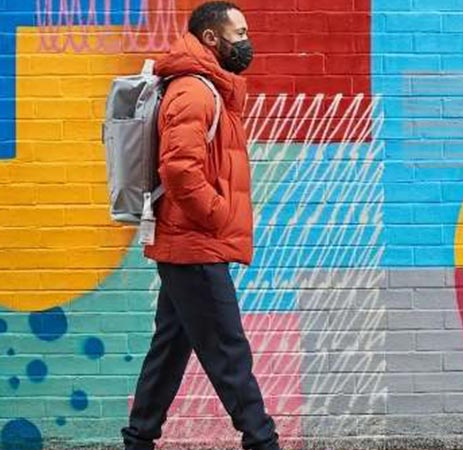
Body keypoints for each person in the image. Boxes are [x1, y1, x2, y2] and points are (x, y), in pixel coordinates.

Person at [120, 2, 280, 450]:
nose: (246, 42)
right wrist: (219, 215)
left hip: (185, 244)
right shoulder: (193, 91)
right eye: (239, 32)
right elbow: (180, 171)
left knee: (169, 350)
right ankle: (262, 441)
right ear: (212, 38)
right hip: (194, 245)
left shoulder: (206, 87)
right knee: (229, 352)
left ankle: (139, 439)